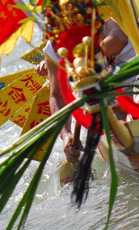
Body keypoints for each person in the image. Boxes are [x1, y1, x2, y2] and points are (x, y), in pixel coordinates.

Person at [37, 19, 129, 162]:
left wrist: (88, 57)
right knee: (114, 120)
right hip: (106, 103)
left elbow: (119, 39)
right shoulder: (54, 49)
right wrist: (66, 134)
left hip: (136, 84)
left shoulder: (99, 15)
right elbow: (57, 96)